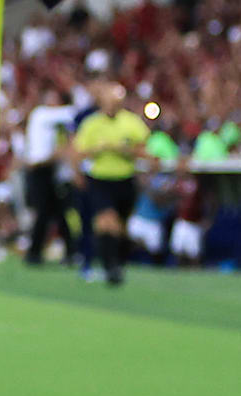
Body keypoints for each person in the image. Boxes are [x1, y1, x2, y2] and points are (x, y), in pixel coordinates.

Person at [72, 82, 150, 285]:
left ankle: (117, 261)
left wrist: (125, 151)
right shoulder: (91, 124)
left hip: (124, 178)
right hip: (100, 178)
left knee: (120, 226)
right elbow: (78, 152)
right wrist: (93, 156)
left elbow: (145, 151)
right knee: (107, 220)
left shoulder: (132, 123)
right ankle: (110, 266)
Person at [21, 86, 79, 265]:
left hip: (51, 170)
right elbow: (73, 113)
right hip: (39, 169)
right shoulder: (41, 115)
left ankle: (64, 251)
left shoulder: (56, 125)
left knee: (57, 211)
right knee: (46, 211)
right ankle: (36, 251)